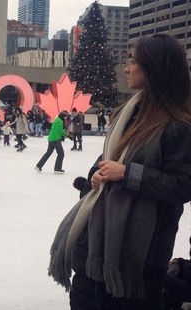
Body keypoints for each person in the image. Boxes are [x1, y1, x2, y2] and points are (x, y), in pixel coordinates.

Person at [48, 34, 191, 309]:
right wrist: (96, 174)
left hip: (137, 262)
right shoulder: (126, 114)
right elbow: (106, 160)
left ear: (154, 68)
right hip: (94, 250)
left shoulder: (178, 126)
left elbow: (183, 186)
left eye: (133, 61)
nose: (126, 68)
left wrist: (128, 174)